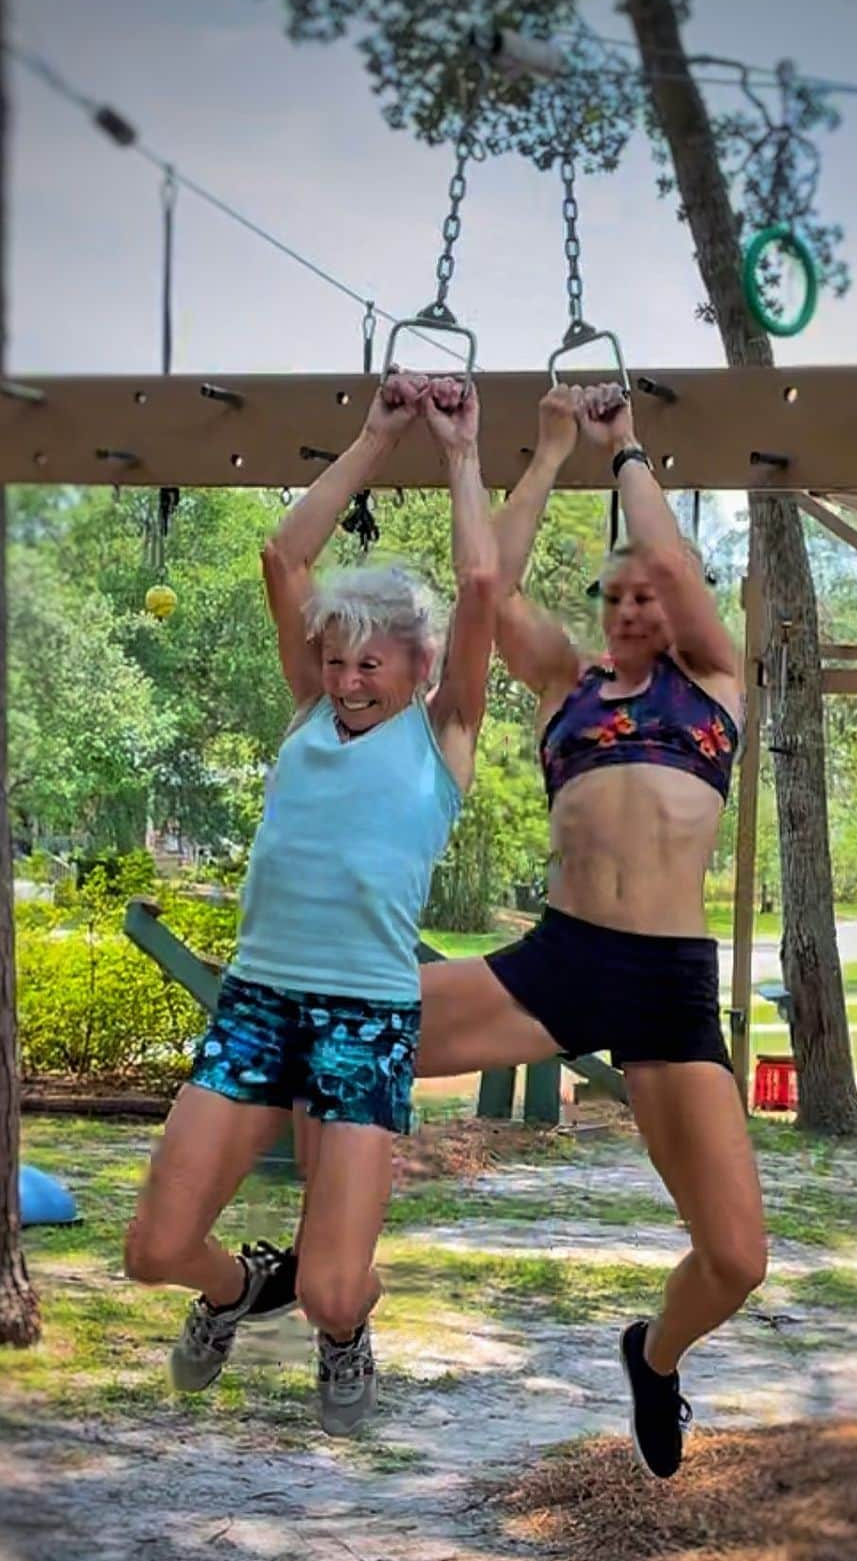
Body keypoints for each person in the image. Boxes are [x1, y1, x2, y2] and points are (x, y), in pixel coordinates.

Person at [124, 372, 498, 1437]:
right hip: (257, 1006)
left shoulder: (443, 738)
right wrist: (377, 436)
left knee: (337, 1287)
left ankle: (340, 1328)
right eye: (332, 662)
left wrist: (461, 452)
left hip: (366, 1023)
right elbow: (285, 558)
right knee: (152, 1248)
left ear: (419, 667)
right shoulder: (307, 716)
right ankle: (236, 1289)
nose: (343, 681)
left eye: (369, 664)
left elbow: (482, 583)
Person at [416, 381, 767, 1479]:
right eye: (612, 596)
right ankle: (301, 1279)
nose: (630, 607)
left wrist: (624, 453)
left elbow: (672, 564)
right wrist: (540, 451)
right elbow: (489, 582)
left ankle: (654, 1359)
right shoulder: (565, 687)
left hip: (667, 984)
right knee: (338, 1030)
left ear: (676, 609)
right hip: (563, 956)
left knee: (738, 1259)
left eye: (647, 596)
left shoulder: (715, 688)